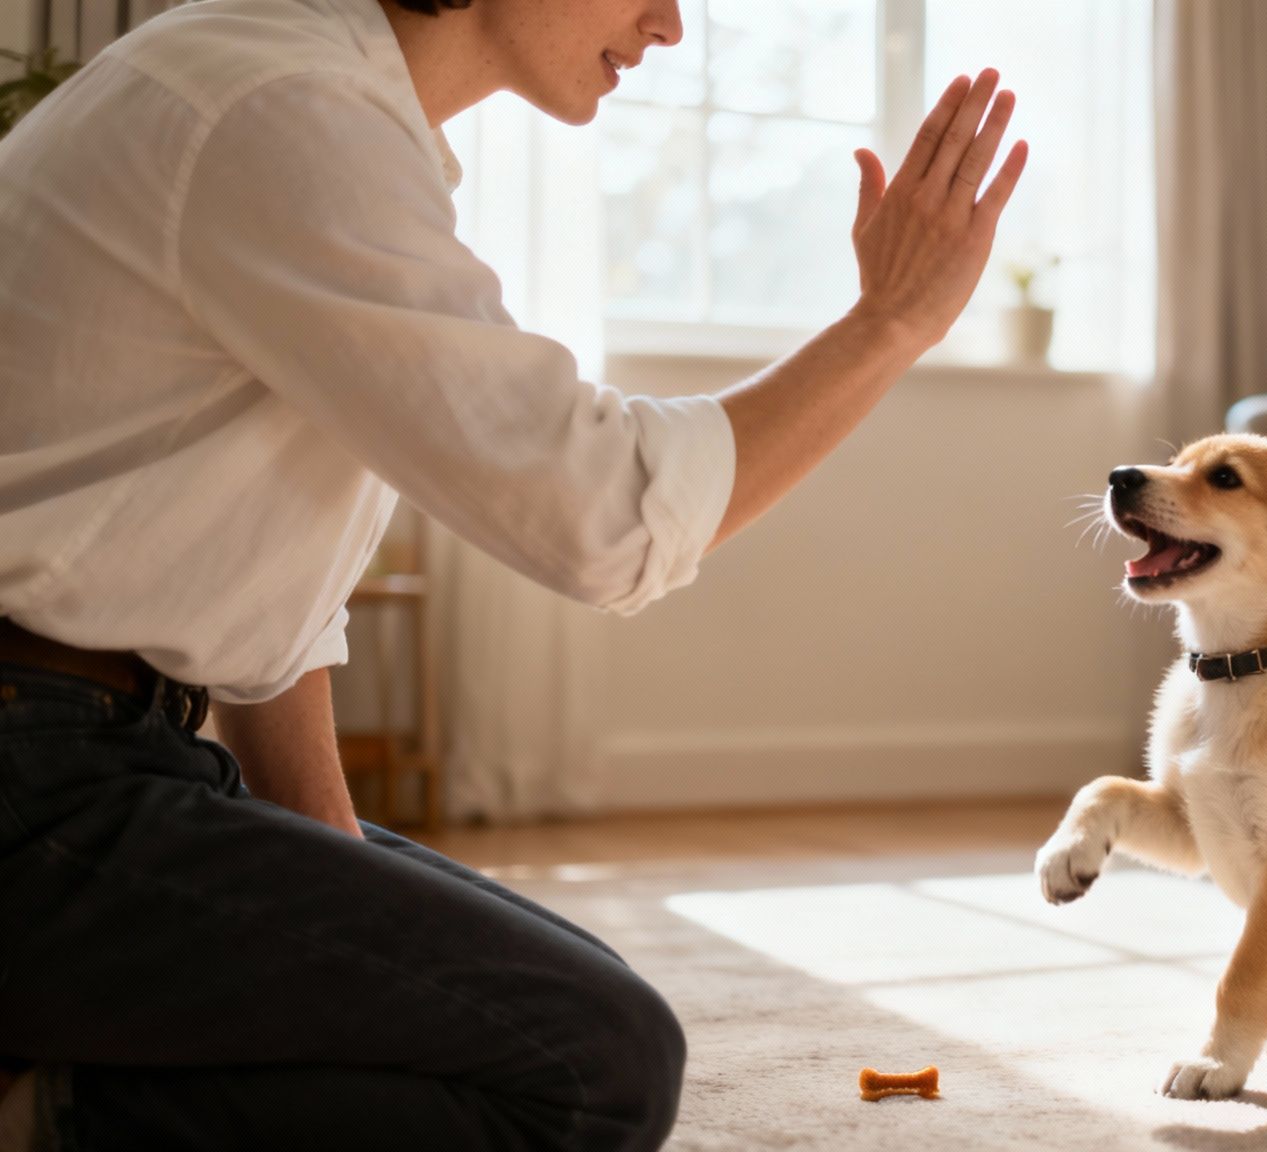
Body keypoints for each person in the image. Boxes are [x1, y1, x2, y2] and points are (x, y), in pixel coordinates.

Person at [0, 0, 1026, 1144]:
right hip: (34, 778)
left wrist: (337, 879)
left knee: (569, 996)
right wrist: (885, 324)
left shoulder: (299, 94)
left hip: (97, 750)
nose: (669, 25)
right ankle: (54, 1113)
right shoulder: (286, 113)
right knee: (593, 1063)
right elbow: (602, 516)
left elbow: (265, 610)